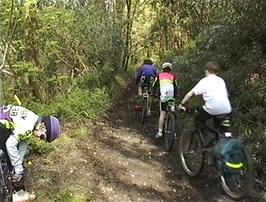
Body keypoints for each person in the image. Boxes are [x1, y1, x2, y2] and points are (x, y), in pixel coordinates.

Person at [0, 104, 62, 202]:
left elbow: (23, 145)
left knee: (13, 163)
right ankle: (11, 196)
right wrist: (18, 168)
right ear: (43, 127)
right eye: (42, 137)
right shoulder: (28, 127)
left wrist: (17, 167)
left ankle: (18, 193)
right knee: (7, 157)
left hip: (3, 126)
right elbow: (10, 144)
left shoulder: (32, 119)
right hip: (1, 127)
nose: (39, 139)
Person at [178, 61, 232, 144]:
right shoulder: (221, 80)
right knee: (219, 130)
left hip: (213, 108)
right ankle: (218, 144)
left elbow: (190, 94)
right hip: (227, 109)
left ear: (207, 71)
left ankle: (208, 135)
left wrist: (182, 104)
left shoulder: (205, 80)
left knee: (198, 120)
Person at [153, 62, 178, 138]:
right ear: (170, 69)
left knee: (162, 113)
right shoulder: (173, 76)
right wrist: (175, 97)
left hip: (163, 96)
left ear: (163, 69)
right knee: (172, 111)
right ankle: (173, 132)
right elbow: (176, 87)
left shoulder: (159, 76)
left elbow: (154, 86)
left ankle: (160, 132)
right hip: (171, 96)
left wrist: (154, 93)